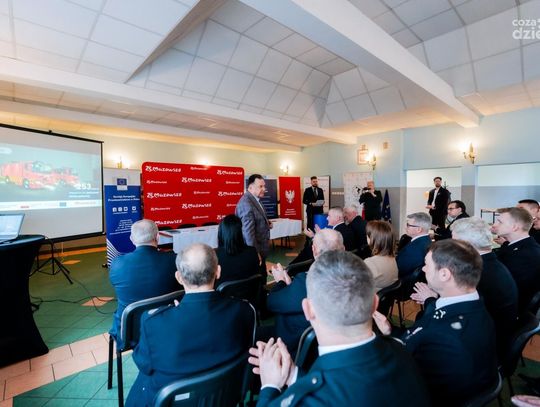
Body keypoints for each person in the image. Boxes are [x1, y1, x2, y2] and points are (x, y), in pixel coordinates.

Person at [251, 251, 431, 407]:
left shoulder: (311, 400)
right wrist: (293, 375)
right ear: (374, 304)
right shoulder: (402, 350)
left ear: (308, 310)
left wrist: (270, 387)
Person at [125, 243, 256, 407]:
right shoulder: (245, 310)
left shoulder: (153, 323)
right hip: (227, 398)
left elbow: (143, 363)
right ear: (218, 271)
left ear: (179, 277)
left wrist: (172, 313)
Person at [374, 240, 498, 406]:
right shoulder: (474, 306)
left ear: (444, 274)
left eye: (426, 264)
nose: (423, 269)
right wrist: (390, 331)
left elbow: (406, 367)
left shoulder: (444, 336)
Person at [266, 229, 345, 356]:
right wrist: (290, 286)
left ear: (314, 250)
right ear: (344, 249)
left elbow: (272, 302)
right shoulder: (353, 276)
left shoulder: (305, 281)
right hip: (335, 344)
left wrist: (280, 281)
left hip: (294, 348)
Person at [450, 217, 518, 360]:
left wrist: (430, 298)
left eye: (453, 241)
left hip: (482, 347)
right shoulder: (491, 263)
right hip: (494, 334)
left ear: (466, 245)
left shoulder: (478, 274)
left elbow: (459, 315)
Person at [109, 219, 178, 346]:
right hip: (169, 326)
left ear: (131, 239)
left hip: (130, 332)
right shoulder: (175, 261)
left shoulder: (117, 265)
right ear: (158, 237)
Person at [492, 207, 540, 311]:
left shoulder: (527, 255)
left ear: (514, 227)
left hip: (509, 310)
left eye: (500, 222)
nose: (494, 225)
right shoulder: (519, 246)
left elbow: (504, 289)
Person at [236, 174, 272, 278]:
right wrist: (255, 253)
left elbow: (256, 220)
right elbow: (248, 233)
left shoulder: (256, 200)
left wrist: (266, 223)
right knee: (257, 280)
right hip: (255, 253)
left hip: (261, 250)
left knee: (262, 278)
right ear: (250, 187)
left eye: (264, 186)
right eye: (260, 186)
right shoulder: (246, 203)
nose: (264, 189)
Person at [215, 214, 260, 286]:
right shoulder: (252, 252)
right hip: (250, 292)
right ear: (240, 232)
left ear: (221, 233)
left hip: (225, 293)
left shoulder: (216, 256)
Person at [364, 220, 398, 291]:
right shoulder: (392, 258)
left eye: (368, 235)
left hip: (372, 296)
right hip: (387, 295)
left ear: (372, 239)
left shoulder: (370, 262)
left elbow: (358, 286)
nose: (366, 236)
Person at [396, 212, 432, 278]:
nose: (405, 227)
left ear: (419, 229)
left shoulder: (413, 250)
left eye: (408, 225)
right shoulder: (427, 240)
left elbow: (398, 269)